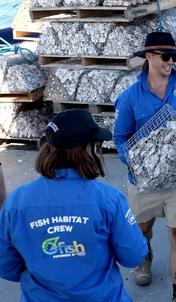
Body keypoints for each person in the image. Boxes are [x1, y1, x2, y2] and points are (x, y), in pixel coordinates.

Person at [0, 109, 148, 301]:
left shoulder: (16, 201)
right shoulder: (109, 199)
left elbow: (5, 264)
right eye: (98, 145)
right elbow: (133, 256)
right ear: (89, 150)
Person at [114, 31, 176, 302]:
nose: (171, 62)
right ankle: (145, 260)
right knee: (143, 229)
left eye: (174, 57)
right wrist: (133, 162)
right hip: (144, 182)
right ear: (149, 56)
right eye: (166, 57)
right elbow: (120, 138)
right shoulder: (130, 97)